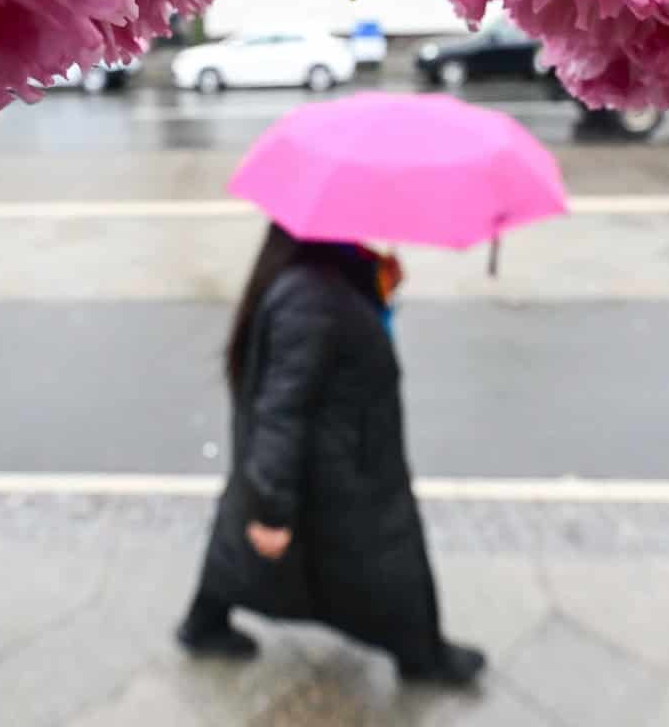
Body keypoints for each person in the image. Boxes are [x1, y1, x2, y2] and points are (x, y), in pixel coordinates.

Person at [176, 223, 486, 687]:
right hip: (339, 467)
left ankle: (204, 621)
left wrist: (375, 284)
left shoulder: (315, 271)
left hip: (336, 451)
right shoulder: (311, 299)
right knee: (390, 560)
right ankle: (423, 655)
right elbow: (283, 413)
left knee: (241, 545)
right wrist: (272, 509)